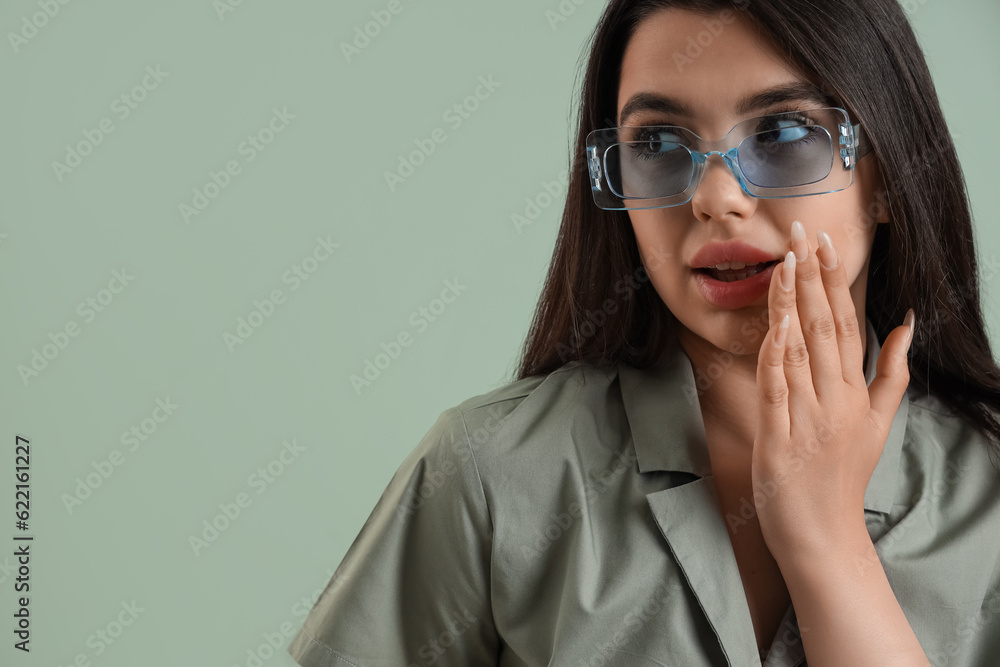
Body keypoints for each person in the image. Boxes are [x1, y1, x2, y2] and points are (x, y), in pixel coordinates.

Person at [287, 1, 1000, 665]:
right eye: (656, 142)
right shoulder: (488, 473)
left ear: (885, 177)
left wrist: (825, 539)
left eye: (783, 133)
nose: (715, 198)